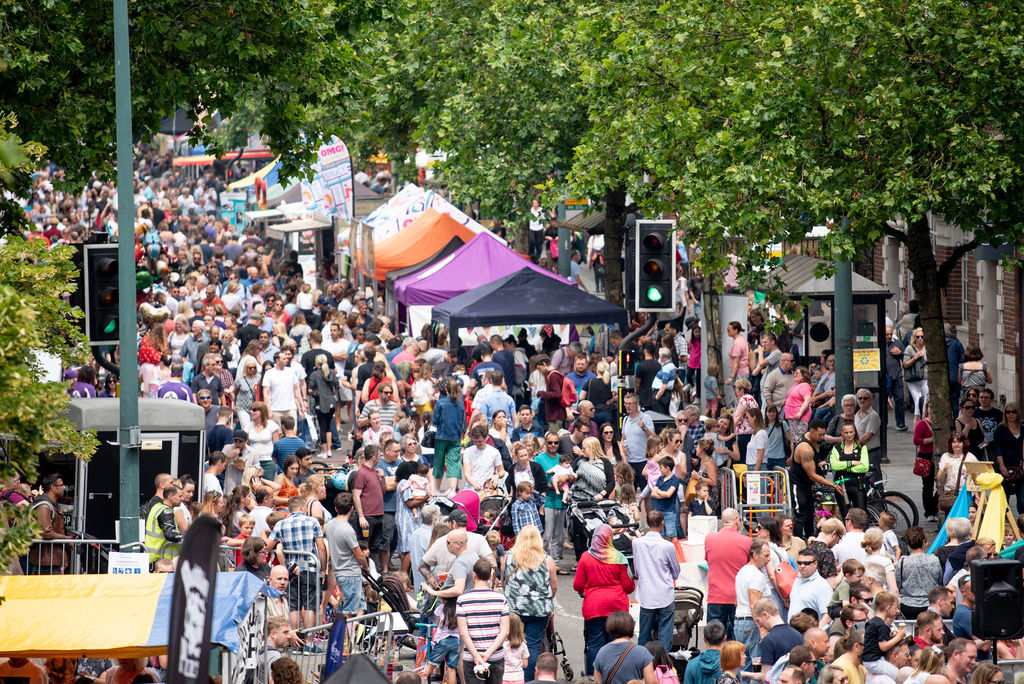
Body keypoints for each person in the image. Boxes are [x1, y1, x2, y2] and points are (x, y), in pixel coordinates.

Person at [575, 523, 637, 676]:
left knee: (594, 643)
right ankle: (614, 676)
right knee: (615, 644)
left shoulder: (586, 557)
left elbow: (578, 585)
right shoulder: (619, 557)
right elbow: (629, 586)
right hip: (616, 607)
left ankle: (593, 678)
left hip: (594, 607)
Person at [504, 525, 558, 680]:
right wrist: (546, 599)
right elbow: (553, 586)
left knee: (513, 642)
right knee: (533, 644)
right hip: (538, 609)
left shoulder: (509, 556)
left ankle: (511, 676)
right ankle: (527, 679)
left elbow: (504, 581)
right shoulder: (547, 560)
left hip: (514, 609)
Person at [267, 495, 327, 631]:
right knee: (310, 605)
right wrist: (322, 568)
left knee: (293, 605)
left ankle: (293, 639)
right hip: (310, 567)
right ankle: (308, 641)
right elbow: (321, 547)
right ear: (301, 507)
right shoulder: (312, 521)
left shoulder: (280, 524)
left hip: (291, 569)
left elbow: (268, 546)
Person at [632, 510, 681, 655]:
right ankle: (663, 665)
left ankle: (642, 664)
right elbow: (676, 571)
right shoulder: (667, 546)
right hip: (664, 593)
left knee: (644, 634)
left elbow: (636, 569)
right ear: (662, 523)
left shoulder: (637, 543)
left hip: (646, 593)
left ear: (647, 522)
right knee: (665, 635)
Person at [457, 558, 511, 684]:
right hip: (495, 656)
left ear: (473, 575)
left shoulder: (462, 600)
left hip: (471, 657)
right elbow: (505, 632)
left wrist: (476, 655)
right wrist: (487, 654)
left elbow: (464, 633)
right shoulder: (500, 599)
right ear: (491, 575)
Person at [704, 508, 752, 640]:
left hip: (716, 596)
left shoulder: (709, 539)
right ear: (737, 521)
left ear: (723, 522)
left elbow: (708, 560)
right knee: (736, 642)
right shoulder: (746, 541)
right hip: (738, 598)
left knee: (714, 640)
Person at [791, 420, 842, 539]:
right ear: (812, 431)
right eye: (820, 435)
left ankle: (811, 540)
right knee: (800, 515)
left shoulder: (812, 439)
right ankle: (797, 544)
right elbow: (812, 475)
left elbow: (814, 461)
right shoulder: (805, 449)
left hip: (807, 484)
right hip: (798, 484)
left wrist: (819, 462)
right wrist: (833, 485)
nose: (822, 437)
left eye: (824, 434)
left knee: (810, 515)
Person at [324, 492, 370, 619]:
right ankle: (342, 636)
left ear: (335, 508)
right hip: (350, 572)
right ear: (352, 508)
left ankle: (350, 635)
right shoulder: (347, 529)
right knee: (350, 611)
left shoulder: (329, 525)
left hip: (339, 570)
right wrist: (366, 566)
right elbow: (358, 554)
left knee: (360, 607)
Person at [592, 610, 657, 684]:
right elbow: (651, 682)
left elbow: (596, 681)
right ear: (631, 627)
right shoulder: (642, 652)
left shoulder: (602, 652)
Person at [735, 539, 773, 666]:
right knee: (755, 664)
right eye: (766, 555)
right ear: (755, 555)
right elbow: (754, 604)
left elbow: (737, 600)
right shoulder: (756, 575)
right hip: (752, 624)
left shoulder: (743, 571)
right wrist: (761, 629)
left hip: (741, 622)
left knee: (743, 664)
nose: (769, 559)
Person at [28, 473, 71, 574]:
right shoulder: (44, 507)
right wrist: (67, 539)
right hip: (46, 562)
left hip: (50, 560)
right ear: (53, 487)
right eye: (61, 485)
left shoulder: (50, 505)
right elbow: (46, 533)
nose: (64, 487)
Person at [861, 591, 905, 679]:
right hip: (874, 661)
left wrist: (892, 637)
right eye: (896, 608)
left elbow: (876, 640)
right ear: (888, 608)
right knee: (899, 675)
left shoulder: (873, 622)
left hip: (868, 660)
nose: (897, 611)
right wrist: (899, 637)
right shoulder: (881, 625)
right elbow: (883, 646)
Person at [829, 421, 869, 510]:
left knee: (860, 516)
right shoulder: (837, 448)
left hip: (858, 486)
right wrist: (851, 463)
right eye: (846, 432)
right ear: (842, 433)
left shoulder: (862, 447)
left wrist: (844, 467)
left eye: (851, 432)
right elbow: (834, 466)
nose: (849, 435)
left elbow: (865, 467)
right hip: (841, 487)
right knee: (845, 517)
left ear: (855, 432)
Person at [753, 598, 803, 669]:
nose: (759, 625)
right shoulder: (798, 635)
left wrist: (744, 674)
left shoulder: (768, 640)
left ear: (765, 615)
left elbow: (765, 676)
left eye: (758, 620)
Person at [936, 432, 977, 517]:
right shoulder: (945, 456)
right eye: (954, 442)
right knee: (952, 523)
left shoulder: (970, 457)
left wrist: (977, 496)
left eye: (959, 442)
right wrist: (944, 470)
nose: (956, 444)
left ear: (964, 443)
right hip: (951, 495)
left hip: (966, 495)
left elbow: (977, 478)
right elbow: (940, 479)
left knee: (965, 521)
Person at [994, 402, 1024, 515]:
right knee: (1004, 496)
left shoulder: (1022, 428)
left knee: (1022, 498)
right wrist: (1001, 466)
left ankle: (1022, 521)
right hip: (1005, 465)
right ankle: (1004, 521)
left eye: (1013, 412)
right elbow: (997, 448)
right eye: (1008, 412)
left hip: (1020, 466)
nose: (1011, 414)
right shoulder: (1000, 429)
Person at [622, 393, 656, 486]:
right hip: (629, 462)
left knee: (645, 493)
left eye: (630, 403)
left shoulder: (646, 418)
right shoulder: (625, 419)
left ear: (637, 404)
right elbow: (623, 438)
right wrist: (623, 449)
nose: (627, 406)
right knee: (629, 492)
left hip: (643, 461)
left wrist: (644, 427)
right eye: (625, 404)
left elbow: (653, 438)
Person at [790, 548, 832, 624]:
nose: (802, 566)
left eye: (806, 563)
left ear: (815, 564)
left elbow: (827, 616)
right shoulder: (797, 579)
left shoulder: (822, 585)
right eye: (799, 563)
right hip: (793, 632)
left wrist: (814, 633)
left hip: (809, 632)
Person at [144, 483, 183, 563]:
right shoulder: (166, 512)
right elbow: (170, 534)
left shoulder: (157, 506)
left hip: (153, 558)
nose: (182, 499)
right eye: (179, 496)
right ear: (171, 496)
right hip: (161, 560)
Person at [913, 402, 938, 522]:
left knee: (941, 484)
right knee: (927, 486)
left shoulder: (939, 422)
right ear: (927, 409)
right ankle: (929, 512)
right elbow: (916, 440)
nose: (932, 409)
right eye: (930, 406)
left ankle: (934, 507)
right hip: (925, 456)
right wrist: (931, 439)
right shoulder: (922, 423)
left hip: (938, 456)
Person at [853, 390, 882, 479]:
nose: (862, 400)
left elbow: (867, 435)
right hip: (861, 452)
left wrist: (853, 445)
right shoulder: (856, 415)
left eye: (865, 398)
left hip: (871, 452)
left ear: (870, 400)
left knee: (873, 479)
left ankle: (879, 493)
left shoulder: (873, 415)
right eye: (860, 398)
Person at [903, 329, 928, 423]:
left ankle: (924, 425)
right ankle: (917, 430)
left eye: (922, 336)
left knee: (925, 402)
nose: (920, 339)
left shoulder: (928, 348)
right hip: (913, 380)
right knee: (917, 401)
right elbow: (905, 364)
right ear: (915, 338)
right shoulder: (910, 348)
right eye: (918, 337)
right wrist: (915, 358)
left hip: (925, 378)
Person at [784, 366, 814, 444]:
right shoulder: (796, 385)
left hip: (799, 416)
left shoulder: (804, 385)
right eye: (795, 373)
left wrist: (800, 412)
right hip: (792, 416)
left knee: (799, 439)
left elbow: (807, 400)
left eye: (797, 373)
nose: (794, 374)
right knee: (795, 439)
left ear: (803, 376)